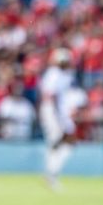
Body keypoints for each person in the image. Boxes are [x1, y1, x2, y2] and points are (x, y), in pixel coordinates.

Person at [39, 48, 79, 190]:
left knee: (66, 141)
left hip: (60, 112)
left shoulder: (65, 74)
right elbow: (51, 96)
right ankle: (51, 175)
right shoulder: (53, 74)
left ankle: (51, 172)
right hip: (53, 112)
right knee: (56, 141)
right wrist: (58, 117)